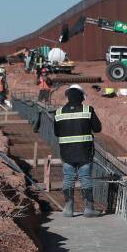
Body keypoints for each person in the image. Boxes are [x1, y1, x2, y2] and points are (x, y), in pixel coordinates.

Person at [53, 84, 102, 218]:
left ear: (68, 96)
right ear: (81, 97)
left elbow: (56, 132)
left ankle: (68, 209)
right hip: (85, 152)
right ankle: (89, 209)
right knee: (85, 178)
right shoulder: (88, 110)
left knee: (68, 178)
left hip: (67, 153)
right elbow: (97, 128)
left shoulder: (59, 112)